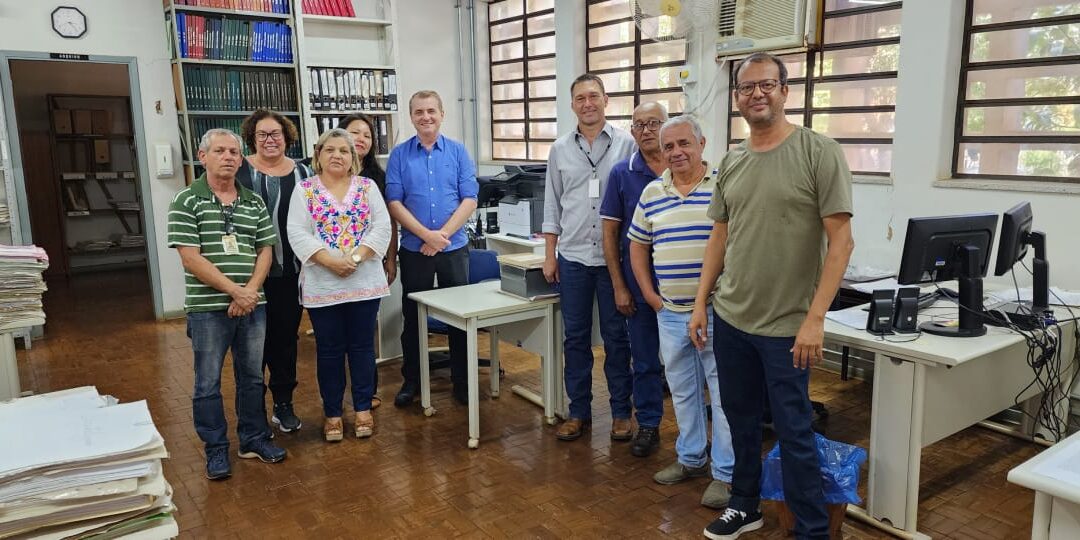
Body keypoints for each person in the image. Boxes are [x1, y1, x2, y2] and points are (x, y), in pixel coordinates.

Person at [689, 52, 854, 540]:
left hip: (789, 327)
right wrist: (702, 301)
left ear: (785, 91)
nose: (756, 94)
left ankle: (810, 529)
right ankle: (745, 505)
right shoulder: (733, 161)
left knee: (795, 433)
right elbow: (719, 237)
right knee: (739, 422)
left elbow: (841, 241)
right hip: (733, 319)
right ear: (737, 97)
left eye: (766, 85)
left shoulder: (818, 151)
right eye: (746, 88)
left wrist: (816, 318)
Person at [167, 128, 287, 480]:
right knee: (207, 382)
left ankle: (252, 439)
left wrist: (249, 291)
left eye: (234, 152)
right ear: (203, 156)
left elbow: (265, 249)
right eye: (220, 151)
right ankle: (215, 449)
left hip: (253, 305)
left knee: (252, 378)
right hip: (208, 309)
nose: (229, 157)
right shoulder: (186, 200)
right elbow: (190, 258)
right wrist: (235, 291)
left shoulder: (253, 201)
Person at [627, 115, 735, 509]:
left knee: (722, 394)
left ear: (702, 144)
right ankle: (691, 458)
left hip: (716, 311)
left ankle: (725, 474)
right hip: (669, 312)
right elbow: (637, 245)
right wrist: (651, 297)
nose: (676, 152)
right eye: (669, 146)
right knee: (685, 391)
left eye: (684, 143)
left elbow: (734, 244)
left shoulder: (723, 185)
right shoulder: (653, 191)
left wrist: (708, 303)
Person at [542, 74, 636, 442]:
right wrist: (550, 255)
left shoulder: (627, 144)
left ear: (605, 100)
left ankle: (619, 413)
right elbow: (552, 203)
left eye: (593, 96)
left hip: (616, 260)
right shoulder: (560, 149)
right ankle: (578, 411)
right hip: (575, 257)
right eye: (580, 98)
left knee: (617, 338)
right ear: (572, 105)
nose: (587, 103)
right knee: (575, 338)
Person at [287, 128, 391, 442]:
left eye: (344, 151)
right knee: (329, 351)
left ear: (354, 158)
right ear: (318, 155)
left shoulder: (367, 187)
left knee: (361, 348)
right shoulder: (304, 189)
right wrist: (331, 261)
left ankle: (362, 408)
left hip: (365, 282)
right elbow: (297, 232)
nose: (337, 156)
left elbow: (382, 226)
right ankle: (332, 413)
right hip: (323, 283)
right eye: (329, 150)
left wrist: (355, 258)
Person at [385, 90, 478, 407]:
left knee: (459, 318)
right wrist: (426, 235)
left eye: (431, 111)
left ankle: (463, 382)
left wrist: (442, 237)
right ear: (411, 116)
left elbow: (470, 198)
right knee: (413, 318)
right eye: (419, 112)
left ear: (442, 114)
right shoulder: (399, 155)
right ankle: (412, 380)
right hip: (414, 249)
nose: (425, 117)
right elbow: (394, 202)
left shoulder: (457, 151)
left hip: (454, 248)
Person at [236, 109, 314, 433]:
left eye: (276, 134)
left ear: (287, 136)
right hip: (247, 276)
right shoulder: (238, 171)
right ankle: (254, 412)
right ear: (252, 138)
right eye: (262, 135)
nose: (270, 140)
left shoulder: (305, 173)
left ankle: (284, 404)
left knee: (284, 340)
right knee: (252, 345)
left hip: (289, 273)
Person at [598, 101, 668, 457]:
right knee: (644, 360)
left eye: (653, 123)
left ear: (668, 125)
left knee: (695, 365)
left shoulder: (686, 168)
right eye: (638, 124)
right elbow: (610, 235)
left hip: (685, 288)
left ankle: (695, 434)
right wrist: (619, 286)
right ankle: (650, 424)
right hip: (638, 285)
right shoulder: (621, 174)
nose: (645, 131)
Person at [340, 113, 399, 409]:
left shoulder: (377, 177)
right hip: (331, 268)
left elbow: (388, 223)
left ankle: (366, 392)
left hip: (369, 265)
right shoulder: (325, 178)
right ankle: (336, 399)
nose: (360, 139)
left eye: (366, 134)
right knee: (337, 341)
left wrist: (391, 259)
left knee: (364, 336)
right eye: (354, 132)